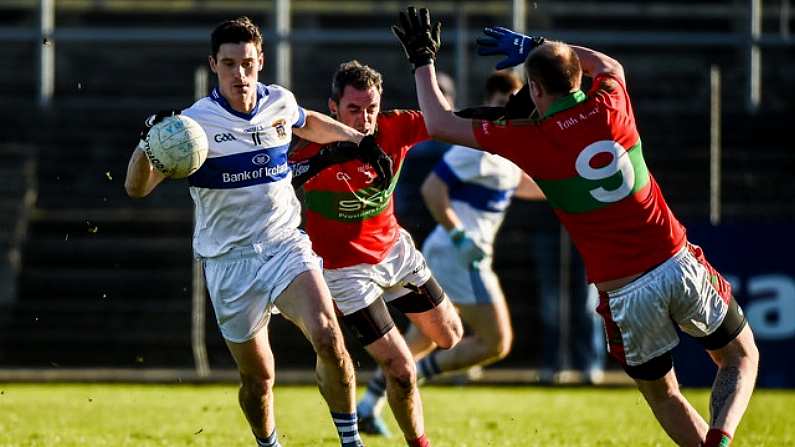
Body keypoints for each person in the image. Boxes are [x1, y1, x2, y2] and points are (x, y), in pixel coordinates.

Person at [391, 8, 759, 447]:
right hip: (676, 262)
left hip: (625, 292)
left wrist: (421, 60)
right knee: (740, 357)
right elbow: (609, 66)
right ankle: (720, 438)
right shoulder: (611, 104)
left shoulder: (531, 139)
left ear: (534, 88)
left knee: (665, 395)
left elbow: (438, 122)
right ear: (577, 79)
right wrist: (535, 44)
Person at [124, 17, 373, 447]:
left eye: (248, 63)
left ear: (261, 61)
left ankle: (351, 442)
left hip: (283, 245)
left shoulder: (278, 101)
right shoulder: (191, 127)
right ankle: (268, 444)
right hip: (228, 262)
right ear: (213, 65)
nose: (240, 74)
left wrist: (357, 139)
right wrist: (148, 144)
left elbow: (307, 120)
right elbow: (136, 188)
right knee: (258, 381)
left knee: (330, 337)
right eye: (229, 65)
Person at [357, 71, 545, 428]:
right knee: (496, 342)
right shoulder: (475, 149)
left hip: (459, 254)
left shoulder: (503, 153)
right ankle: (417, 378)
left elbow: (530, 186)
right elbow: (432, 190)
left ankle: (368, 405)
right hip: (460, 255)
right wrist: (460, 236)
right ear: (489, 102)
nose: (506, 110)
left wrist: (569, 182)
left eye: (513, 103)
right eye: (501, 103)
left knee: (423, 337)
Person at [289, 60, 463, 447]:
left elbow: (447, 120)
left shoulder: (394, 127)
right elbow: (277, 184)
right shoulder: (312, 144)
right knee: (401, 369)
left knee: (451, 335)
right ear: (333, 107)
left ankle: (375, 378)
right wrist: (326, 157)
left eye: (371, 108)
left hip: (394, 253)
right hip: (345, 273)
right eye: (353, 109)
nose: (365, 119)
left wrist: (512, 117)